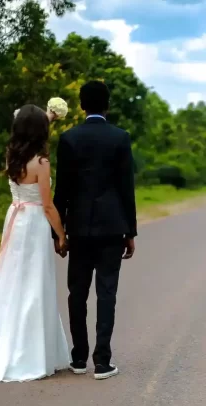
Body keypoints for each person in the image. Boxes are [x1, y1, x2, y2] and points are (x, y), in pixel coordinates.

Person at [0, 105, 71, 383]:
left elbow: (30, 127)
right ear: (41, 131)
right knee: (35, 284)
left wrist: (48, 116)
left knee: (14, 281)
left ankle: (5, 348)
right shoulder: (42, 163)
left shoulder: (13, 154)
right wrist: (61, 234)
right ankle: (31, 354)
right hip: (34, 221)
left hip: (15, 217)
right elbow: (47, 205)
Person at [54, 80, 137, 380]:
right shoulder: (120, 138)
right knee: (106, 292)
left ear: (81, 105)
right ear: (107, 105)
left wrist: (58, 233)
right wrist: (131, 231)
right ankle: (102, 361)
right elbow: (127, 188)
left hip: (78, 228)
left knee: (77, 293)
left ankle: (78, 359)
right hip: (113, 227)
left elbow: (61, 189)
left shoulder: (68, 138)